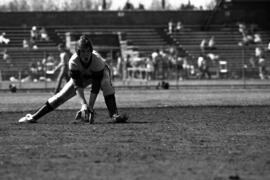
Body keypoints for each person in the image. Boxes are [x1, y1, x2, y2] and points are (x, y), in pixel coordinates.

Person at [18, 35, 128, 124]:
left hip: (102, 73)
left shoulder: (97, 61)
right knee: (61, 96)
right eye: (83, 51)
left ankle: (114, 114)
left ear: (91, 50)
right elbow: (78, 86)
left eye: (88, 51)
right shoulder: (73, 62)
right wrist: (83, 105)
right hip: (82, 76)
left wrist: (90, 107)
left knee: (105, 83)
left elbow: (95, 86)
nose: (86, 54)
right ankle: (34, 117)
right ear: (78, 52)